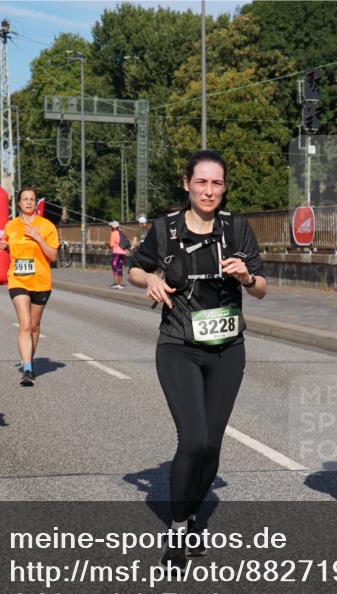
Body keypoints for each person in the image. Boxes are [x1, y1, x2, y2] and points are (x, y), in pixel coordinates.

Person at [128, 150, 267, 565]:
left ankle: (191, 517)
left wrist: (246, 276)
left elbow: (262, 288)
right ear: (187, 183)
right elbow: (135, 269)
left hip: (228, 349)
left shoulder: (237, 228)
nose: (209, 191)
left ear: (224, 187)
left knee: (212, 443)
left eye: (217, 183)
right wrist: (151, 278)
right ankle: (179, 525)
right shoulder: (166, 228)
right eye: (202, 182)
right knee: (193, 439)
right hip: (179, 345)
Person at [0, 186, 60, 387]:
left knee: (34, 326)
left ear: (35, 203)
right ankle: (27, 369)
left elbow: (53, 256)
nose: (28, 202)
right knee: (24, 324)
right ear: (18, 203)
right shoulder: (11, 226)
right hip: (18, 280)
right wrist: (5, 248)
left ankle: (29, 360)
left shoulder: (47, 226)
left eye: (31, 199)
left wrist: (38, 237)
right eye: (24, 199)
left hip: (41, 281)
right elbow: (12, 250)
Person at [108, 220, 127, 289]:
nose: (110, 227)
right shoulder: (121, 232)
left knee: (114, 266)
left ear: (113, 227)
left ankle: (116, 283)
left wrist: (108, 244)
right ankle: (120, 283)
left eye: (111, 226)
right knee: (120, 267)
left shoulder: (113, 233)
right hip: (122, 252)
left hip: (116, 252)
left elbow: (112, 244)